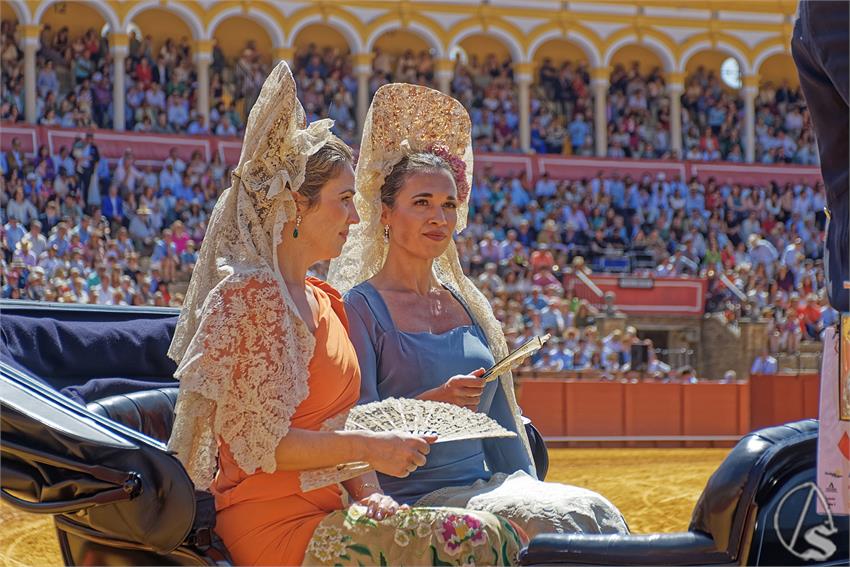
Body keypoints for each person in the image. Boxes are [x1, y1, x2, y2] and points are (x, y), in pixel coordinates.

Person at [166, 63, 524, 566]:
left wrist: (370, 491)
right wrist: (372, 448)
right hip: (277, 520)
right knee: (480, 538)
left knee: (499, 535)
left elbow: (341, 419)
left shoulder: (324, 299)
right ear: (294, 207)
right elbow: (261, 446)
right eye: (342, 201)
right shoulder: (251, 300)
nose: (356, 218)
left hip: (338, 508)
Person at [329, 83, 628, 537]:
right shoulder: (361, 307)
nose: (440, 218)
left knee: (590, 508)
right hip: (413, 493)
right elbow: (357, 422)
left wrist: (527, 482)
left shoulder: (467, 303)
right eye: (422, 203)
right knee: (559, 520)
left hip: (490, 485)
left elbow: (501, 424)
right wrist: (436, 401)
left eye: (448, 205)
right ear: (385, 214)